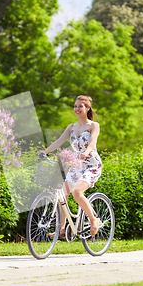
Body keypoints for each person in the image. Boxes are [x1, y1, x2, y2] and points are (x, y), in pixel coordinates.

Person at [42, 95, 103, 237]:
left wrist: (87, 152)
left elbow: (93, 142)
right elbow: (58, 142)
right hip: (77, 166)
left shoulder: (93, 126)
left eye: (80, 106)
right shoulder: (71, 127)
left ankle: (94, 220)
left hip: (91, 165)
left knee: (77, 192)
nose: (77, 109)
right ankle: (62, 229)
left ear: (87, 108)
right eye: (75, 106)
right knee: (61, 195)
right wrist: (45, 152)